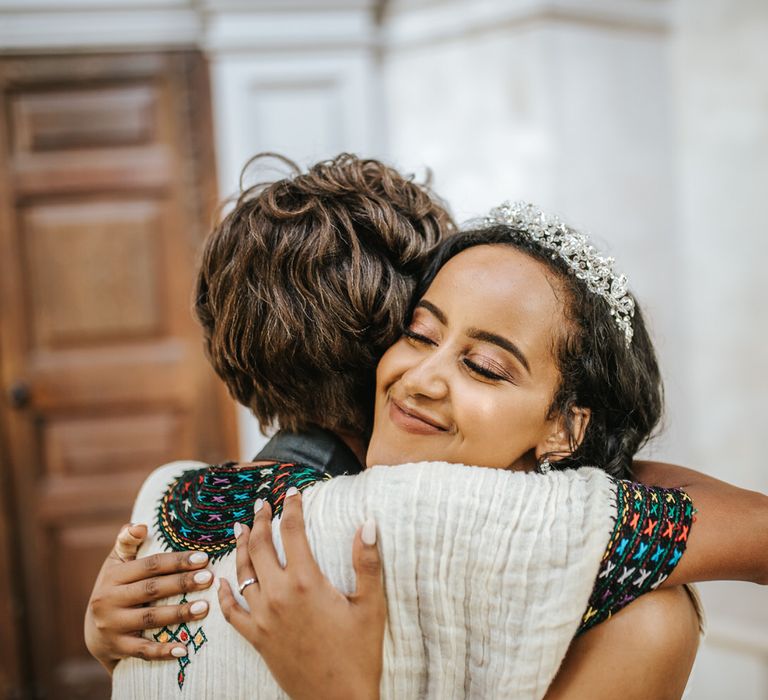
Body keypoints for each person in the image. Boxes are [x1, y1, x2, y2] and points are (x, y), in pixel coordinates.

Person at [85, 162, 766, 697]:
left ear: (565, 427)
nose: (420, 378)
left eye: (484, 365)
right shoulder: (410, 519)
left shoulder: (170, 495)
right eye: (418, 334)